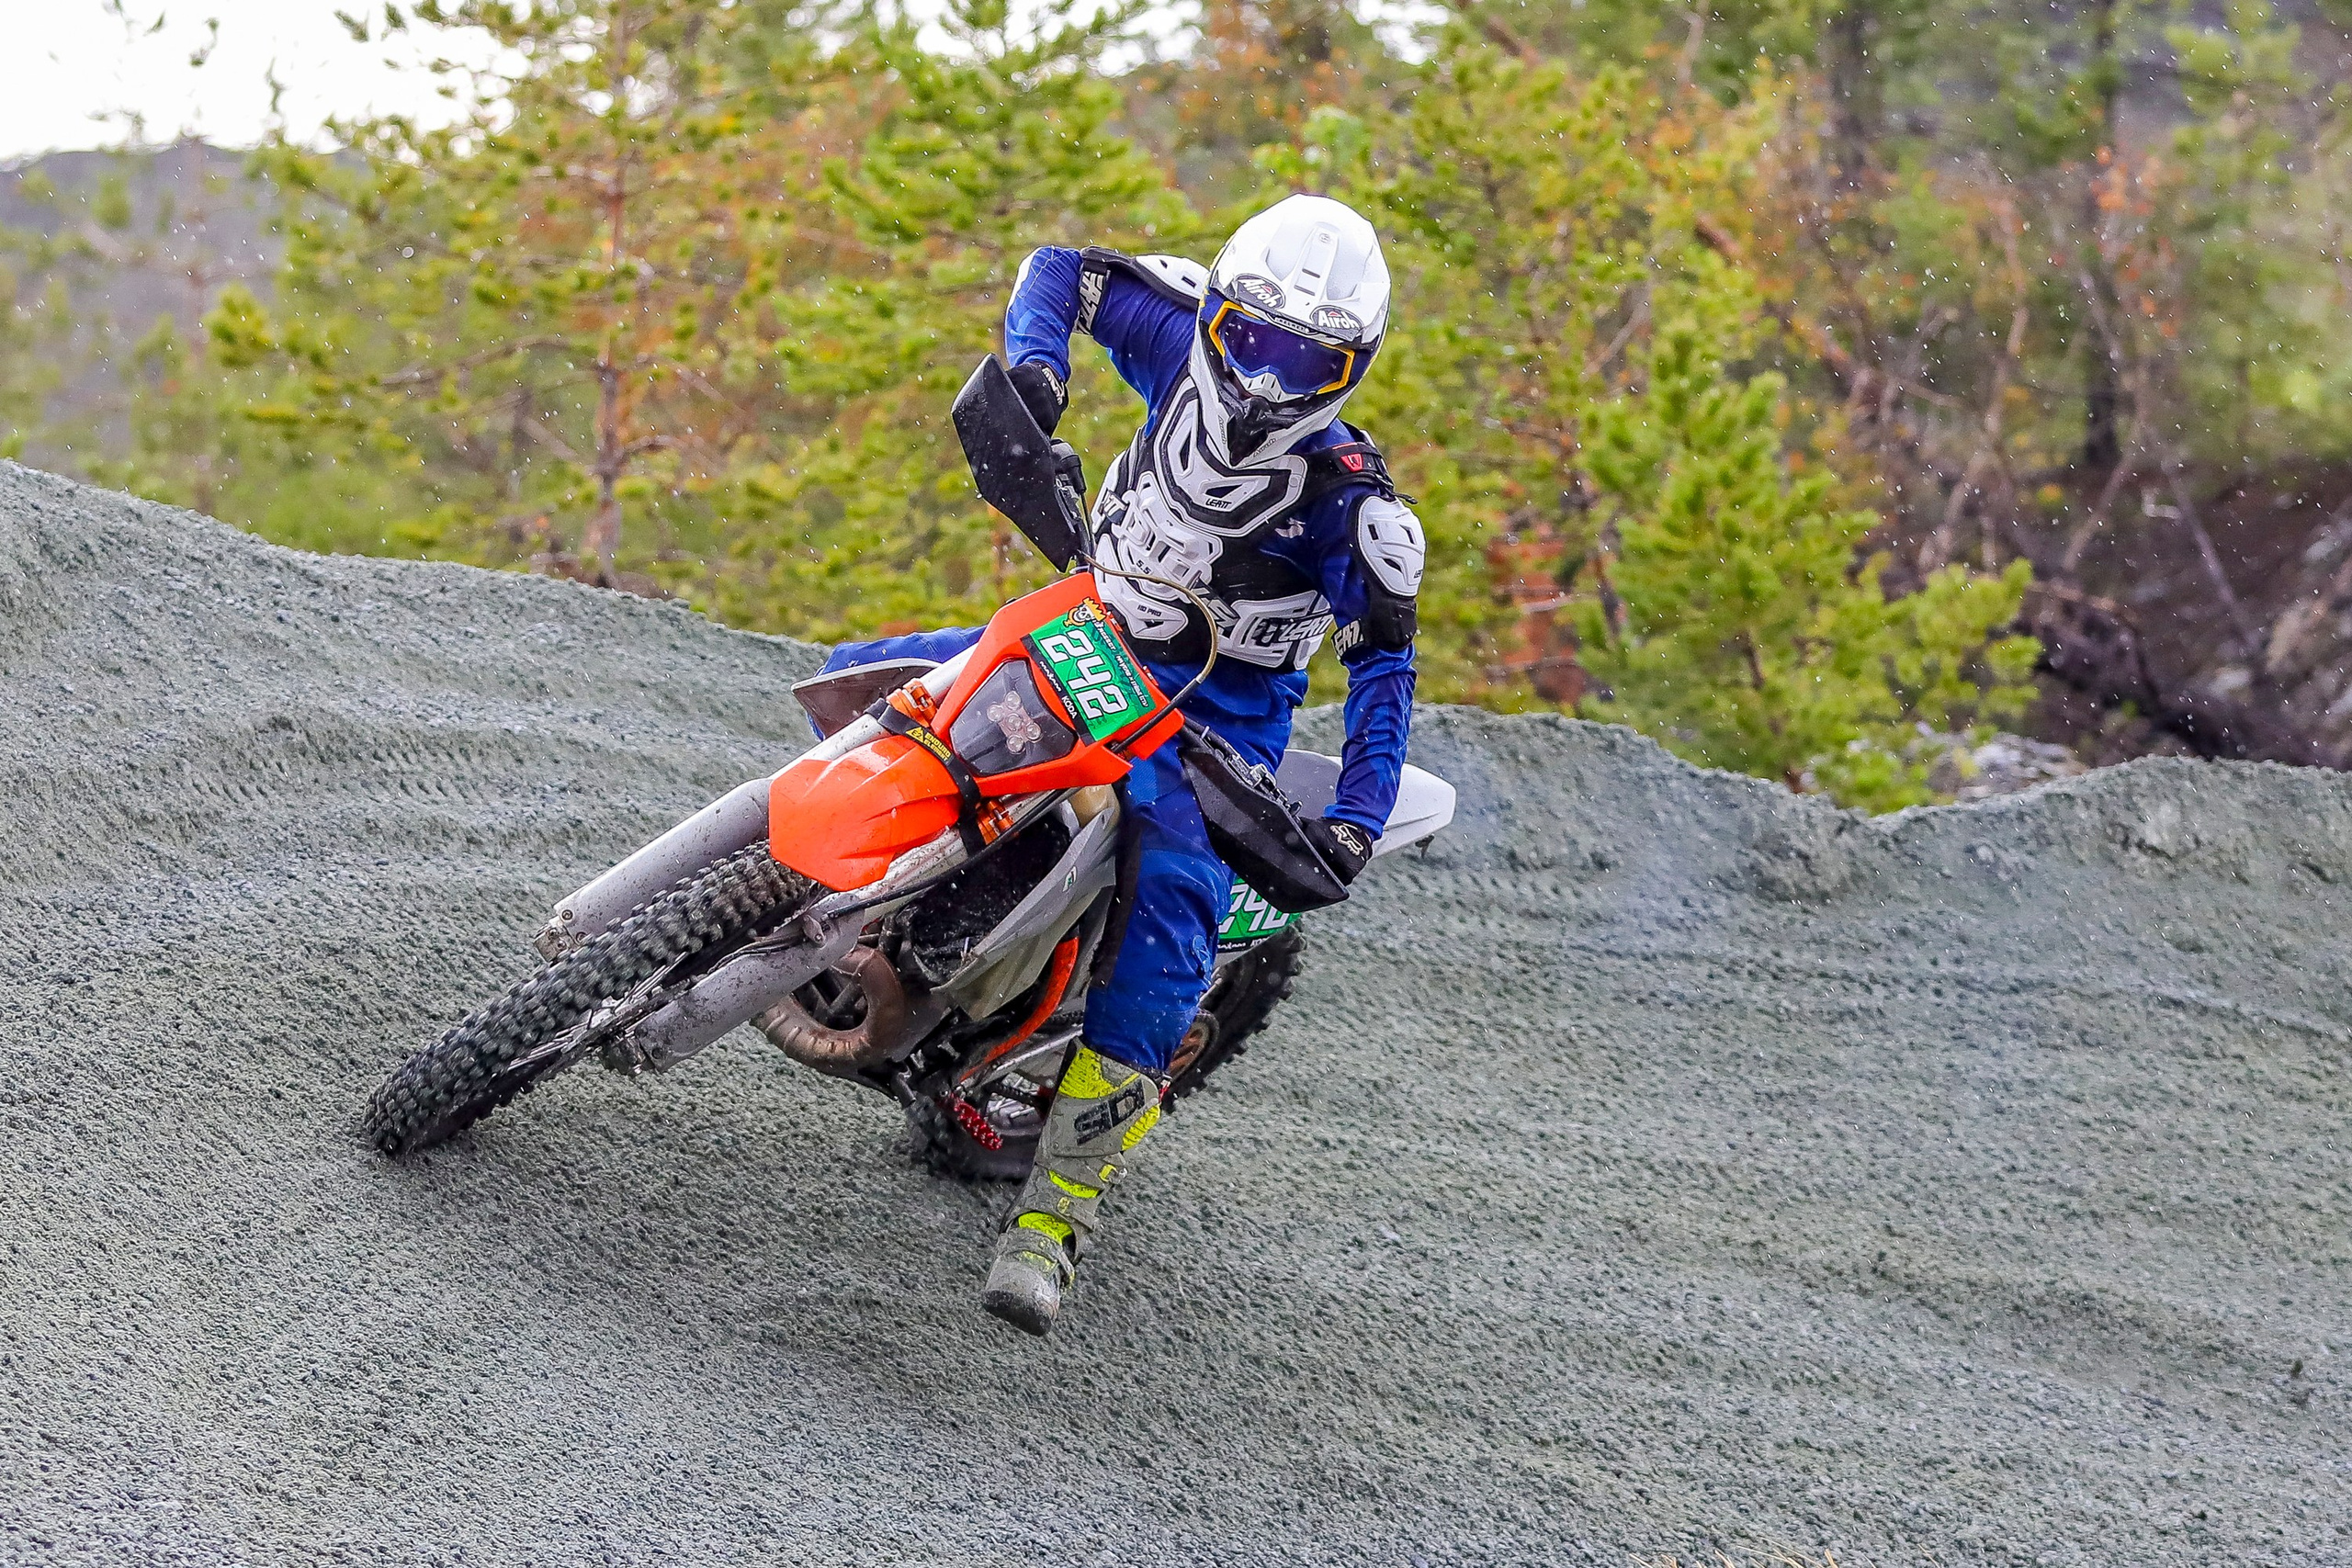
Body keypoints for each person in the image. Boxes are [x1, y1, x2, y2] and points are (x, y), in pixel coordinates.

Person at [817, 194, 1425, 1335]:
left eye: (1310, 361)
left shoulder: (1355, 510)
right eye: (1253, 341)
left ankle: (1055, 1217)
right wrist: (1038, 371)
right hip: (1083, 621)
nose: (1269, 381)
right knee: (861, 676)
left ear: (1354, 366)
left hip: (1213, 719)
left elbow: (1384, 674)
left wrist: (1355, 813)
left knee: (1169, 920)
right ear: (1221, 316)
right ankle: (798, 894)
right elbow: (1060, 266)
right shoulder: (1169, 329)